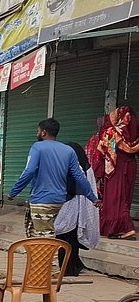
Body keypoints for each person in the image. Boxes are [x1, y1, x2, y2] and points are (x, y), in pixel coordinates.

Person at [8, 118, 98, 238]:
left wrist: (13, 192)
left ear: (44, 132)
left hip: (41, 200)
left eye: (38, 131)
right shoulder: (68, 150)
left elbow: (29, 171)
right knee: (41, 234)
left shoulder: (37, 147)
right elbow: (79, 176)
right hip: (59, 200)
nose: (37, 134)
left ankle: (50, 257)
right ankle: (40, 256)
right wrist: (92, 197)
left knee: (44, 237)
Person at [89, 105, 139, 239]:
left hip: (116, 168)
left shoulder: (112, 132)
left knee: (115, 198)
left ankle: (126, 228)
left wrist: (97, 173)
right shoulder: (135, 134)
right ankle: (121, 227)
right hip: (130, 166)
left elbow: (103, 151)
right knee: (124, 197)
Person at [55, 142, 100, 276]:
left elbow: (70, 188)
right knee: (70, 239)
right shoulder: (85, 167)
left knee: (65, 239)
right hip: (76, 207)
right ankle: (75, 265)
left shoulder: (75, 168)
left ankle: (67, 270)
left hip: (70, 206)